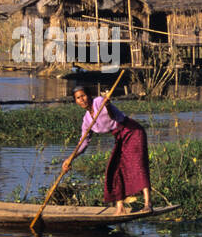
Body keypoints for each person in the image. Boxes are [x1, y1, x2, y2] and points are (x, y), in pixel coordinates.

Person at [62, 85, 151, 215]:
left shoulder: (99, 102)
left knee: (137, 165)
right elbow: (83, 143)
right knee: (113, 169)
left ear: (89, 95)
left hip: (132, 131)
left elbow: (112, 116)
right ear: (75, 101)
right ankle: (120, 207)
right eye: (78, 98)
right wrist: (70, 159)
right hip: (119, 136)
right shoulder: (86, 120)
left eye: (83, 96)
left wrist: (107, 105)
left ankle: (148, 204)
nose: (82, 99)